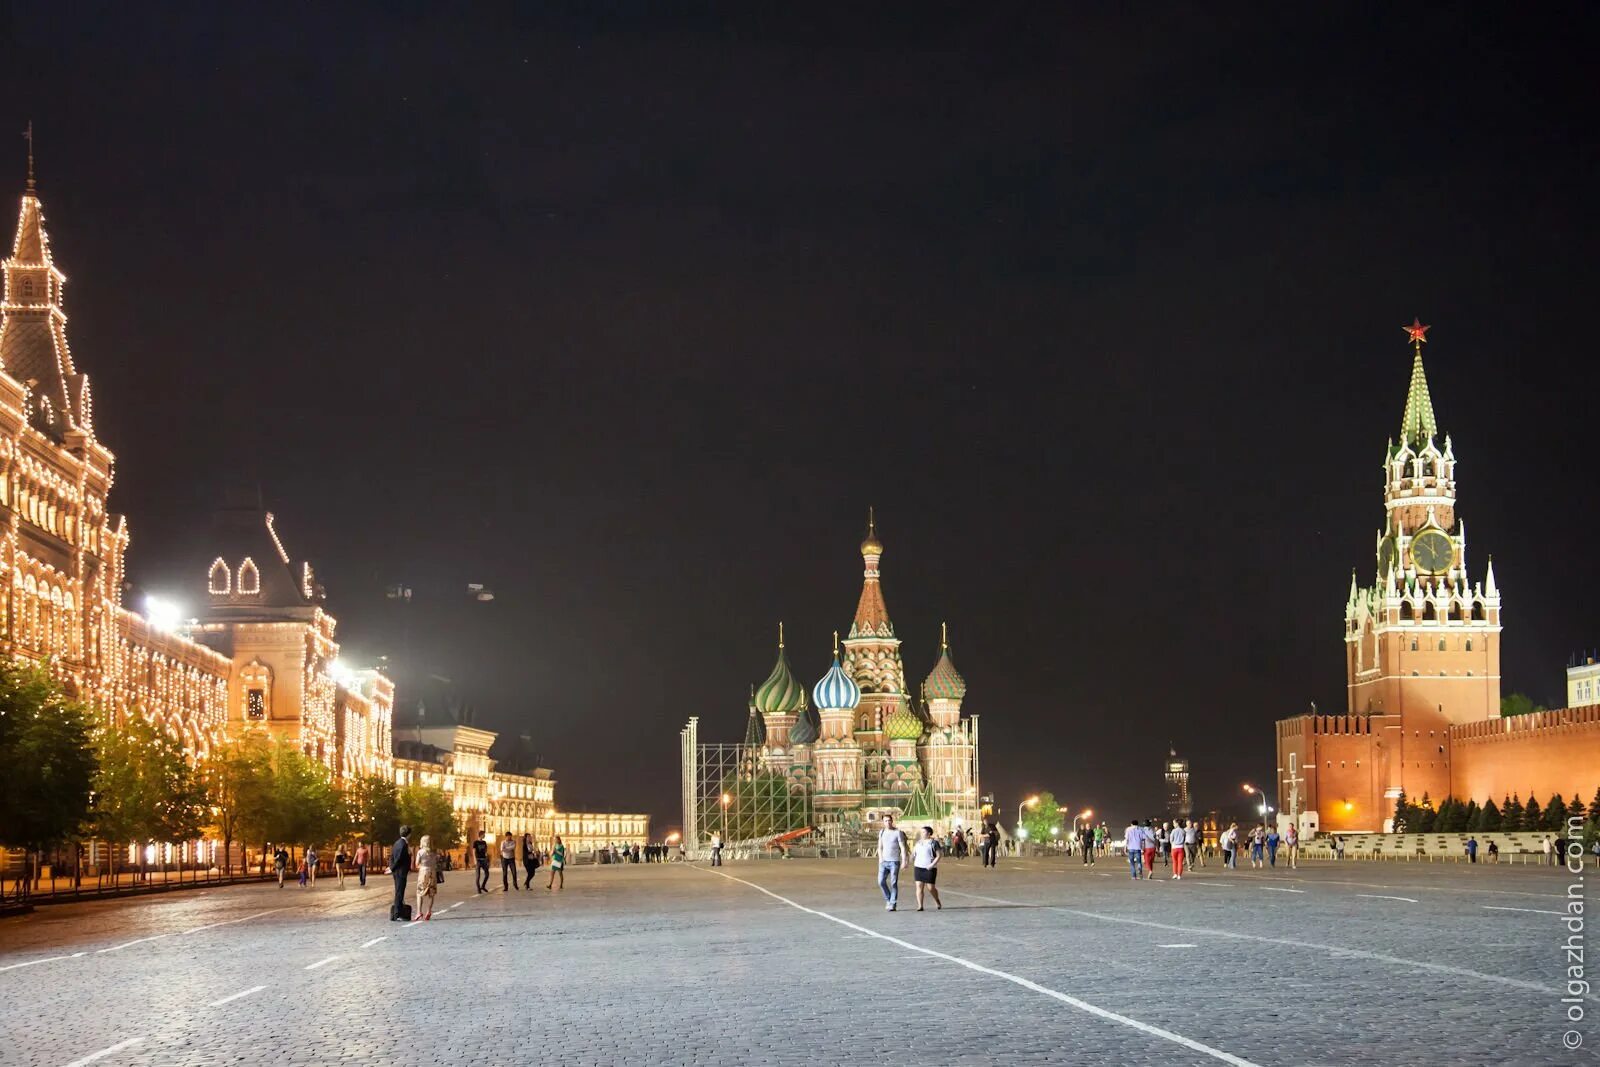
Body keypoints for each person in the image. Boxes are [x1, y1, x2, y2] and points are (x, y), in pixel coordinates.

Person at [876, 814, 911, 911]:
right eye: (885, 821)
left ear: (892, 821)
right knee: (881, 882)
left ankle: (893, 903)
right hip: (884, 861)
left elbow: (903, 848)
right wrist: (880, 858)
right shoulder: (882, 832)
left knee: (893, 882)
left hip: (894, 861)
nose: (888, 822)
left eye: (889, 820)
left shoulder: (898, 832)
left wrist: (904, 861)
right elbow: (880, 847)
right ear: (883, 822)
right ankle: (889, 899)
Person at [912, 825, 942, 912]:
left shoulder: (933, 843)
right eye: (921, 832)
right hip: (918, 867)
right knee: (919, 886)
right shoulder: (918, 843)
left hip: (929, 868)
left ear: (929, 833)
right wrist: (907, 860)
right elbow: (914, 853)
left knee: (930, 887)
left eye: (923, 832)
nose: (922, 834)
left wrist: (932, 865)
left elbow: (939, 855)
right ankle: (920, 905)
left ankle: (937, 900)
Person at [390, 825, 412, 922]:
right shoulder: (403, 844)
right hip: (401, 872)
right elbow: (398, 859)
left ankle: (397, 912)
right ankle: (396, 914)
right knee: (399, 892)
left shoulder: (397, 843)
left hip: (397, 871)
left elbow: (391, 856)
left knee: (399, 892)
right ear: (409, 834)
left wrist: (391, 867)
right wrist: (392, 868)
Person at [414, 834, 438, 920]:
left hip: (423, 872)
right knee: (431, 894)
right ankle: (429, 911)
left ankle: (419, 912)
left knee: (419, 892)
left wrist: (421, 866)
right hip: (432, 872)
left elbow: (416, 864)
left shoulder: (420, 852)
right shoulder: (435, 852)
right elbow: (436, 863)